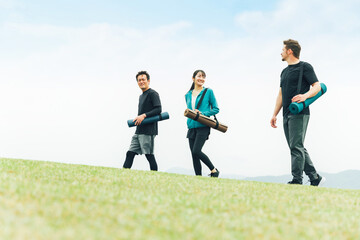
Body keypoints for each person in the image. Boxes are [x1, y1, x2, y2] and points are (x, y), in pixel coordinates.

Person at [270, 39, 325, 186]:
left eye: (283, 49)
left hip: (300, 113)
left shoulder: (305, 67)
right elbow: (280, 94)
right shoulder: (284, 72)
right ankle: (314, 177)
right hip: (286, 113)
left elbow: (317, 86)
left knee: (296, 146)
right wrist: (274, 114)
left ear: (289, 51)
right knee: (296, 146)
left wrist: (304, 96)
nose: (280, 52)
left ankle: (297, 179)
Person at [123, 71, 161, 171]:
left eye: (143, 79)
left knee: (149, 155)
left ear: (148, 81)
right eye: (139, 80)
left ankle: (155, 177)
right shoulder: (141, 96)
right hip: (139, 130)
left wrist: (143, 116)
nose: (141, 82)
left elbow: (158, 109)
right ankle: (123, 174)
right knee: (130, 153)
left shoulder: (153, 93)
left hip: (149, 130)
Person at [185, 70, 220, 177]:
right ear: (193, 78)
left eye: (203, 77)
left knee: (196, 151)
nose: (201, 78)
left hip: (203, 126)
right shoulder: (187, 94)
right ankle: (198, 177)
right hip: (191, 126)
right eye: (199, 76)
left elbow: (216, 109)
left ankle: (214, 170)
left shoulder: (208, 92)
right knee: (193, 155)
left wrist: (203, 113)